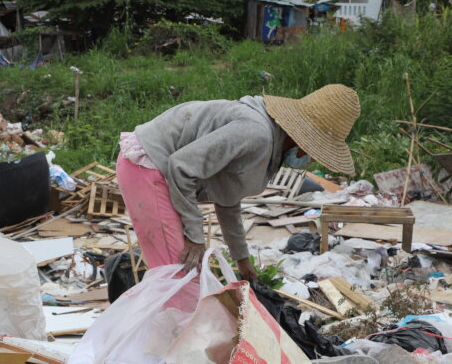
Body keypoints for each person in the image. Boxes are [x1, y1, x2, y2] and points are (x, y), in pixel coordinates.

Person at [116, 84, 359, 281]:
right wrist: (195, 237)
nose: (308, 161)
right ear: (302, 143)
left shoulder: (268, 143)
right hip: (147, 166)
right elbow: (181, 166)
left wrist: (242, 261)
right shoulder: (255, 133)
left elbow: (227, 196)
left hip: (159, 173)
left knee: (182, 276)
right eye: (312, 154)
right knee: (177, 276)